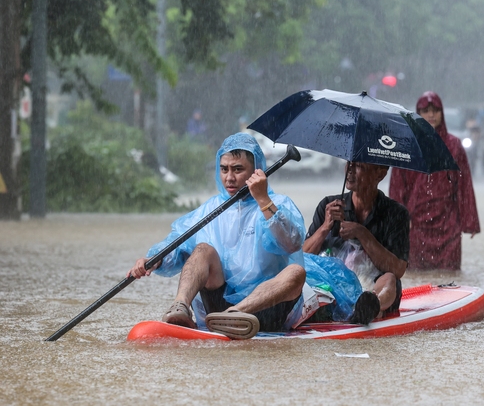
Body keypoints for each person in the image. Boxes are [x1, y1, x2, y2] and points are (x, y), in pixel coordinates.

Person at [127, 133, 306, 339]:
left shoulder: (278, 203)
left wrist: (263, 199)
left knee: (296, 272)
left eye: (238, 169)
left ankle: (236, 313)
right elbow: (176, 243)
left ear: (256, 171)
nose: (229, 178)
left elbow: (292, 243)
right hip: (218, 308)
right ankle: (180, 307)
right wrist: (153, 260)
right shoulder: (210, 208)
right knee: (203, 250)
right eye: (224, 169)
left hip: (266, 307)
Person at [303, 161, 409, 325]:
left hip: (371, 289)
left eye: (359, 165)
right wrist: (325, 227)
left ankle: (371, 308)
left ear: (380, 174)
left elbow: (398, 269)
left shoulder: (395, 213)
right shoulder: (328, 205)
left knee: (389, 279)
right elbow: (302, 257)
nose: (350, 170)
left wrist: (363, 234)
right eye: (349, 164)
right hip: (331, 288)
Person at [389, 91, 480, 271]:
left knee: (448, 278)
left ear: (442, 113)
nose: (431, 115)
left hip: (448, 225)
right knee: (416, 275)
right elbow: (398, 186)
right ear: (418, 114)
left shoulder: (454, 146)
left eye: (435, 110)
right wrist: (400, 219)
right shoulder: (408, 145)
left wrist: (469, 221)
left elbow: (464, 186)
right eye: (426, 111)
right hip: (416, 224)